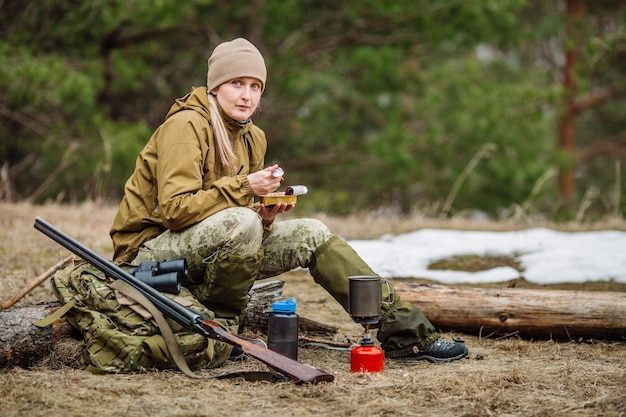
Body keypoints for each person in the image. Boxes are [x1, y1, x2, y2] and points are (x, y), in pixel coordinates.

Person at [110, 38, 468, 366]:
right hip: (147, 255)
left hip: (207, 249)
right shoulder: (186, 125)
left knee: (313, 232)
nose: (246, 95)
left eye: (255, 86)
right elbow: (175, 210)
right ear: (215, 86)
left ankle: (406, 333)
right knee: (243, 222)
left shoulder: (253, 137)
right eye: (236, 83)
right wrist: (246, 188)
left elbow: (235, 223)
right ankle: (222, 330)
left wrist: (264, 214)